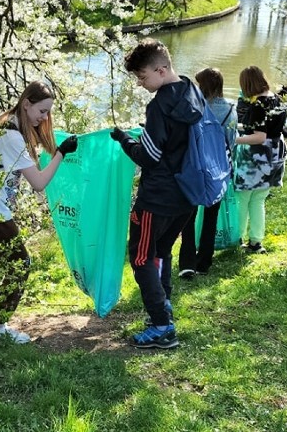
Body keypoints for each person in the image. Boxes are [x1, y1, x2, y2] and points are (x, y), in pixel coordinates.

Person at [0, 81, 78, 344]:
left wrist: (54, 142)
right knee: (20, 265)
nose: (44, 117)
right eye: (42, 110)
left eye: (48, 112)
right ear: (26, 103)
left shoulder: (6, 122)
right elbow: (38, 183)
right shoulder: (12, 136)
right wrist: (61, 154)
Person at [109, 39, 203, 349]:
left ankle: (162, 326)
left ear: (160, 70)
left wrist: (124, 140)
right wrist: (150, 133)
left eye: (142, 77)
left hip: (158, 197)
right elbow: (178, 140)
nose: (140, 83)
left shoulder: (160, 103)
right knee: (161, 251)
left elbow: (148, 157)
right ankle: (163, 309)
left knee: (140, 256)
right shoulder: (192, 89)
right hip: (188, 194)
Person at [178, 67, 237, 278]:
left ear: (203, 86)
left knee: (188, 216)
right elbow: (232, 142)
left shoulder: (196, 109)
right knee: (211, 217)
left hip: (197, 169)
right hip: (220, 170)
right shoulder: (232, 109)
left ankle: (186, 263)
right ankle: (204, 262)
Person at [233, 66, 287, 255]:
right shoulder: (277, 99)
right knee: (258, 200)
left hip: (255, 160)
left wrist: (233, 139)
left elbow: (259, 137)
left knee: (242, 199)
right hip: (274, 156)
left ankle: (237, 238)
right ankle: (256, 241)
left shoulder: (258, 105)